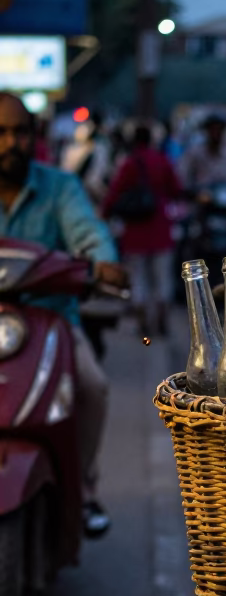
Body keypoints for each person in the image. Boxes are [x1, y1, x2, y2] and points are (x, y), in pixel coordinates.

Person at [0, 92, 126, 536]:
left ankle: (85, 487)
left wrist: (101, 263)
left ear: (33, 137)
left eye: (19, 132)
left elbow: (88, 235)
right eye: (1, 133)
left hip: (50, 322)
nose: (10, 143)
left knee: (93, 387)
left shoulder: (60, 187)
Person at [104, 122, 181, 337]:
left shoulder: (128, 163)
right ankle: (161, 321)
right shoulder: (162, 161)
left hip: (135, 232)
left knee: (138, 280)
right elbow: (176, 189)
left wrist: (104, 213)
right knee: (162, 278)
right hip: (161, 230)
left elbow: (114, 192)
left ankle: (143, 325)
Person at [180, 112, 226, 200]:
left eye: (219, 129)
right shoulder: (194, 153)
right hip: (204, 201)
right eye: (212, 129)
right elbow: (183, 175)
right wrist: (191, 191)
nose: (215, 133)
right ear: (206, 131)